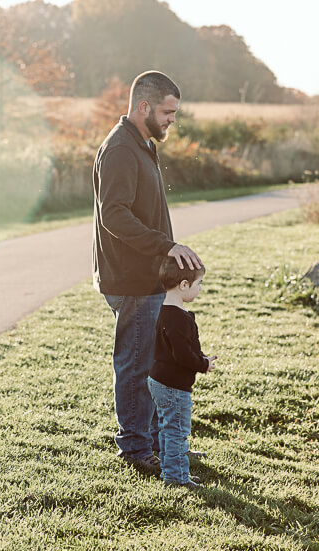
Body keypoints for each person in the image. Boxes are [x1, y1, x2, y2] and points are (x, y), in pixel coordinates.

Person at [92, 70, 202, 471]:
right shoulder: (121, 148)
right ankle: (136, 451)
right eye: (167, 112)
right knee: (137, 367)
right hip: (131, 279)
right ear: (144, 107)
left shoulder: (143, 143)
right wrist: (167, 246)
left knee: (154, 367)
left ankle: (162, 443)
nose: (172, 119)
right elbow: (114, 215)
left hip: (149, 277)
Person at [148, 256, 216, 488]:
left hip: (159, 380)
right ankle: (176, 478)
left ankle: (171, 472)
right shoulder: (178, 318)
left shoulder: (163, 311)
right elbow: (182, 355)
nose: (200, 289)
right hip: (173, 386)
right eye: (198, 284)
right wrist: (203, 363)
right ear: (184, 285)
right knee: (176, 432)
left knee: (168, 430)